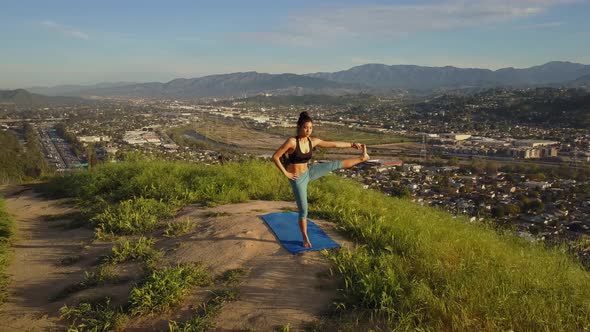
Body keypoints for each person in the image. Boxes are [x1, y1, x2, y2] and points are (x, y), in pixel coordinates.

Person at [272, 112, 369, 248]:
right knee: (304, 209)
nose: (308, 130)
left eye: (310, 128)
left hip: (308, 172)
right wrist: (286, 173)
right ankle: (305, 237)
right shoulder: (292, 142)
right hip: (297, 178)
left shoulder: (313, 141)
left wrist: (352, 144)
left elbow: (333, 144)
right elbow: (275, 157)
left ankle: (362, 158)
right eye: (306, 128)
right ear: (299, 127)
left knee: (333, 164)